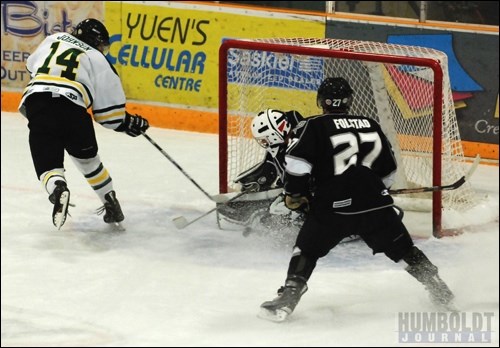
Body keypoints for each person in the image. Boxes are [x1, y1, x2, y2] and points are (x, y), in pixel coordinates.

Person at [258, 77, 455, 322]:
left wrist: (296, 195)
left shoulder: (313, 125)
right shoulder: (370, 123)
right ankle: (440, 289)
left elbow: (297, 166)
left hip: (332, 210)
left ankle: (288, 298)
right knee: (405, 251)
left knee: (306, 251)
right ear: (350, 100)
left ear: (321, 101)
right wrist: (372, 192)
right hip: (376, 207)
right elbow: (390, 170)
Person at [18, 18, 150, 230]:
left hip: (38, 103)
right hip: (72, 108)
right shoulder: (98, 58)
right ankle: (110, 202)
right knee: (88, 161)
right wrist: (129, 123)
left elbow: (31, 66)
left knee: (48, 164)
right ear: (97, 41)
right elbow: (109, 117)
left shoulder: (53, 39)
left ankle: (58, 189)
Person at [216, 109, 307, 232]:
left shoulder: (296, 150)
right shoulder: (294, 124)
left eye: (264, 140)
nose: (263, 143)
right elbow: (271, 166)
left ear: (275, 135)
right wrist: (253, 180)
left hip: (319, 193)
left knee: (278, 211)